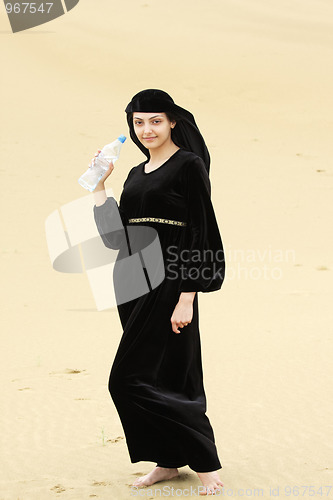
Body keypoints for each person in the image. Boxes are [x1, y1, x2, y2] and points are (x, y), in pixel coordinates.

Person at [92, 89, 226, 495]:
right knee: (161, 373)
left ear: (171, 123)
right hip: (131, 281)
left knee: (127, 379)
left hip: (169, 282)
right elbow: (117, 239)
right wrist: (99, 186)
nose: (146, 129)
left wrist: (188, 294)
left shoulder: (188, 165)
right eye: (138, 122)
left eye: (155, 121)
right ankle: (167, 462)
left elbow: (202, 230)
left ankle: (205, 463)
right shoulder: (134, 174)